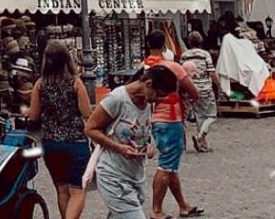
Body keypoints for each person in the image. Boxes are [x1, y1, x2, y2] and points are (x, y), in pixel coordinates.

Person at [85, 64, 176, 219]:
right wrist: (118, 147)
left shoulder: (147, 103)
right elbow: (90, 129)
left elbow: (143, 130)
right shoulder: (117, 99)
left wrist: (149, 144)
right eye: (160, 95)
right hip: (113, 175)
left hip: (135, 175)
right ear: (149, 85)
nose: (160, 100)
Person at [24, 41, 91, 219]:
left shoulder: (40, 84)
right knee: (77, 190)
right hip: (75, 142)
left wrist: (25, 111)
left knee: (61, 189)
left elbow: (34, 116)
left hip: (51, 143)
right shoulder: (75, 83)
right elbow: (87, 113)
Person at [141, 30, 202, 219]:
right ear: (165, 45)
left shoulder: (143, 67)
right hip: (171, 118)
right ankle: (156, 210)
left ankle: (183, 205)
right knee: (166, 165)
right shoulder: (172, 67)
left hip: (155, 119)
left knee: (171, 165)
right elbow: (194, 91)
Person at [180, 32, 220, 153]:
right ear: (201, 42)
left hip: (190, 88)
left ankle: (201, 143)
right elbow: (211, 72)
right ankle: (200, 137)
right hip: (205, 88)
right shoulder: (205, 54)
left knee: (199, 115)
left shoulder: (184, 55)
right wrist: (219, 86)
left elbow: (182, 73)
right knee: (211, 115)